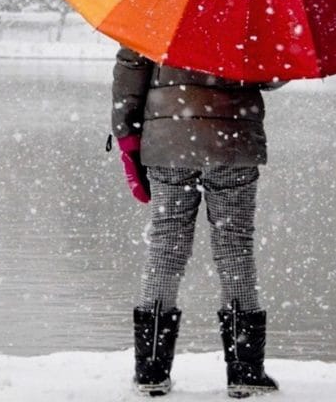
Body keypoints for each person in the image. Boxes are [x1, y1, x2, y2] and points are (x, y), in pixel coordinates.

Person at [110, 46, 281, 399]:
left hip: (169, 140)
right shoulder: (251, 7)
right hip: (233, 141)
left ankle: (151, 369)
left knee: (166, 247)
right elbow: (271, 73)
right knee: (235, 248)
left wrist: (128, 137)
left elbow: (130, 70)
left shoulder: (155, 9)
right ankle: (245, 370)